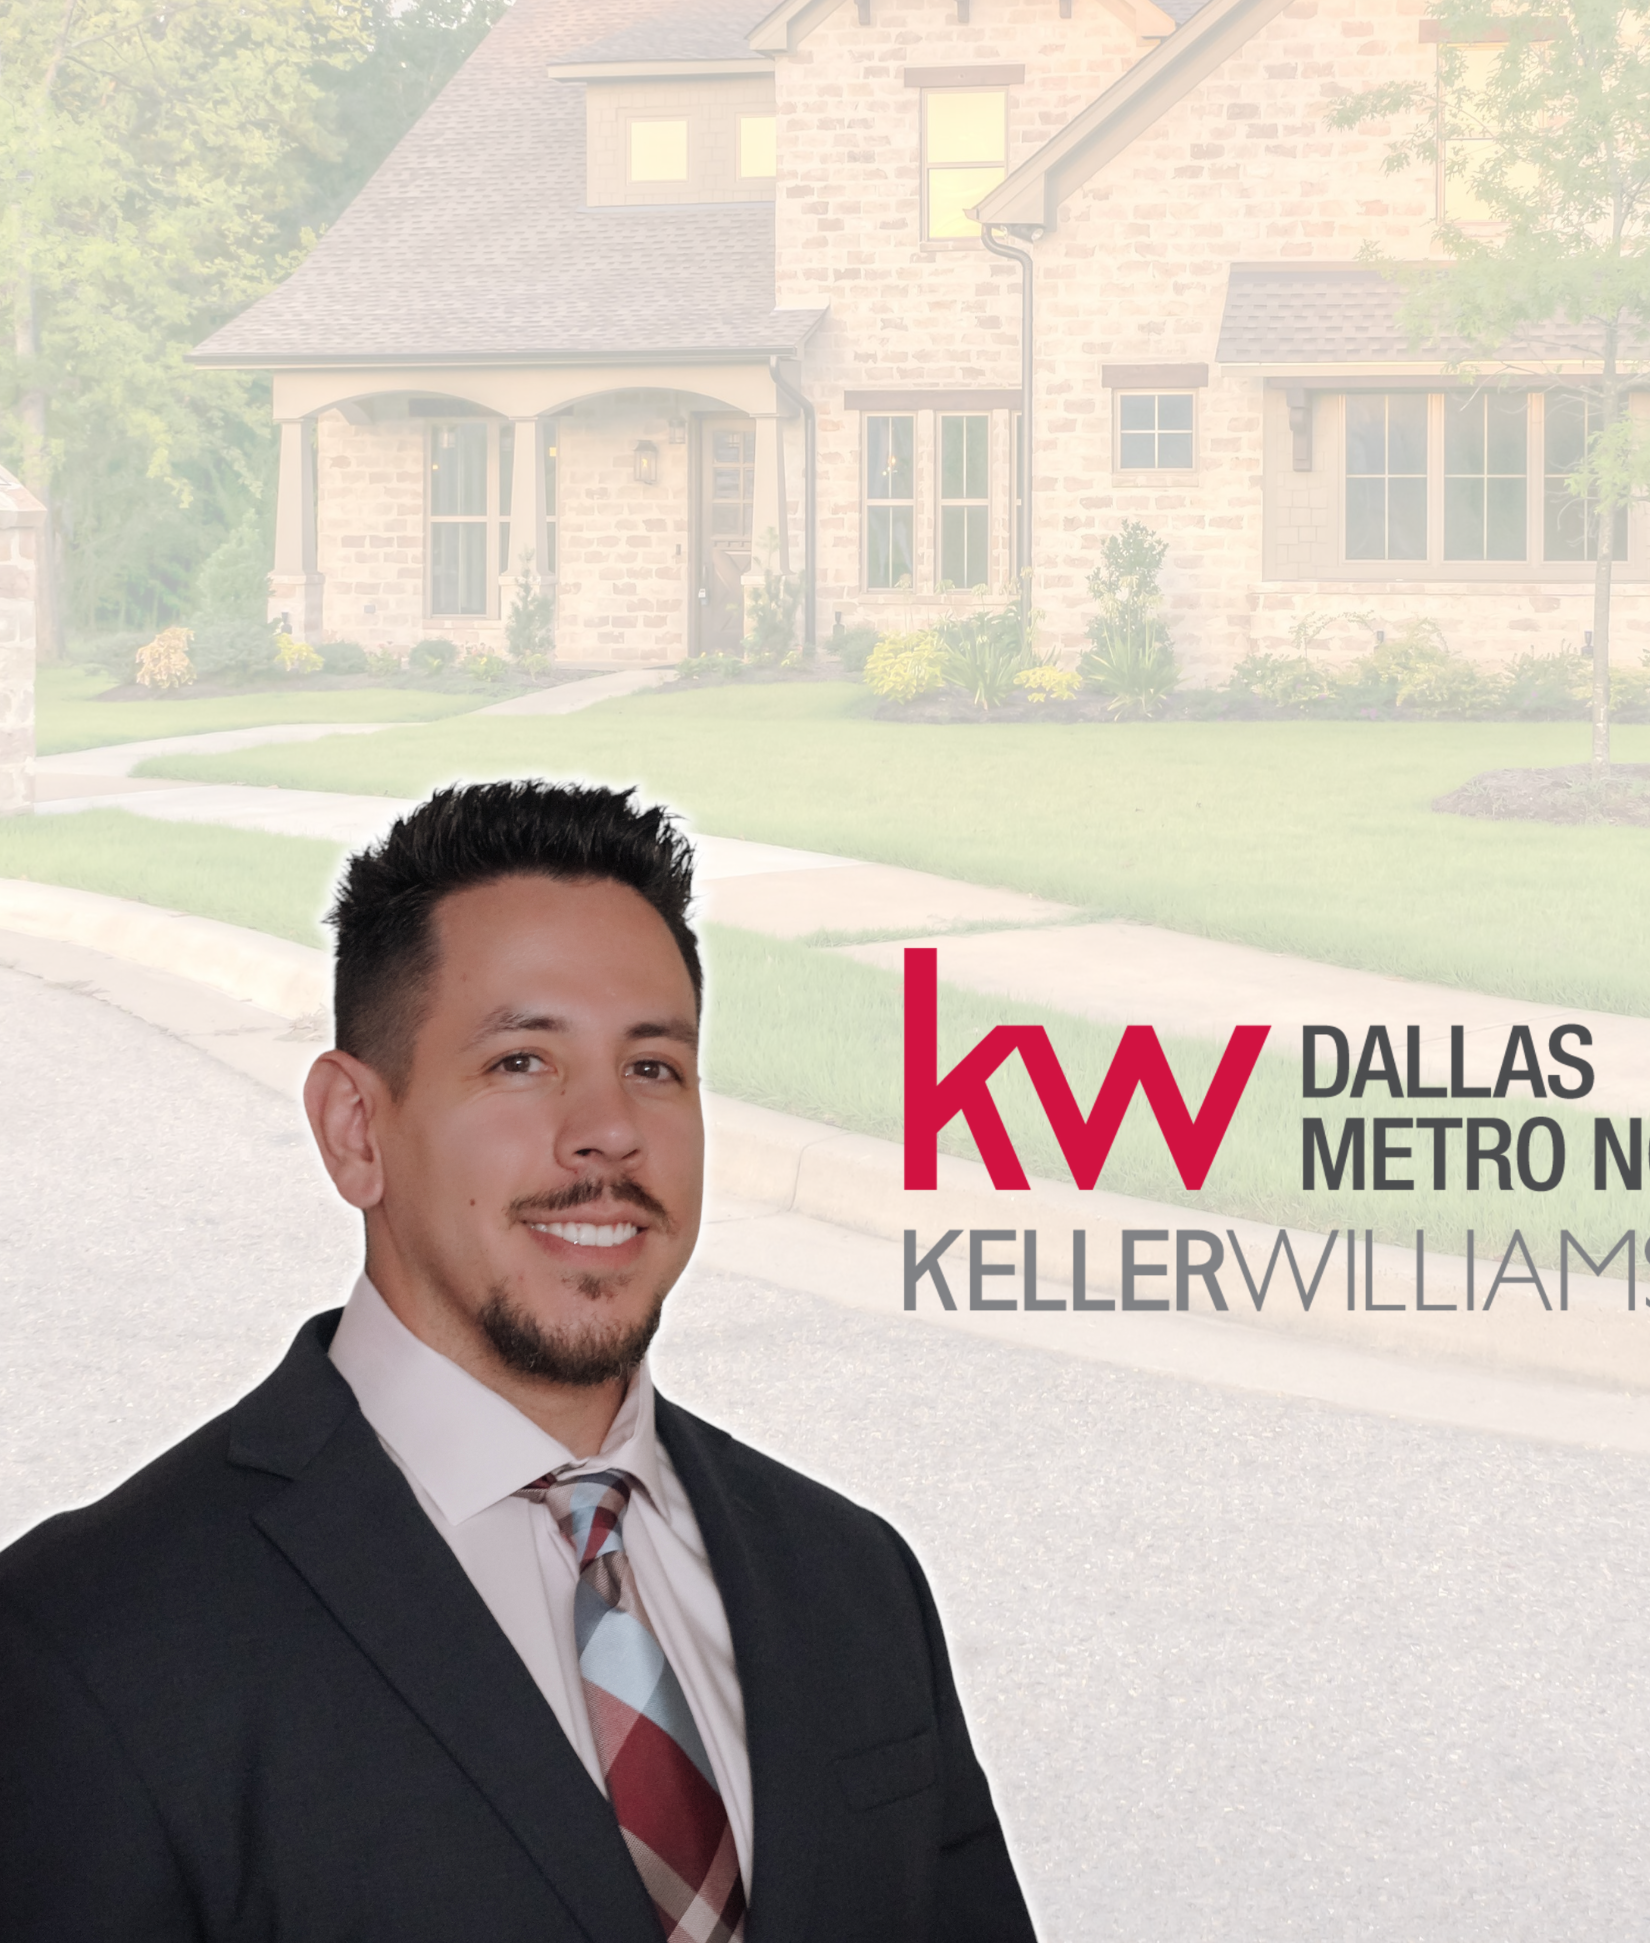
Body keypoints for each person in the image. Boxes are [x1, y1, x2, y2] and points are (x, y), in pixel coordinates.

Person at [0, 778, 1038, 1942]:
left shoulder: (852, 1581)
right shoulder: (90, 1642)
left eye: (653, 1067)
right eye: (521, 1063)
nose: (609, 1131)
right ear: (355, 1130)